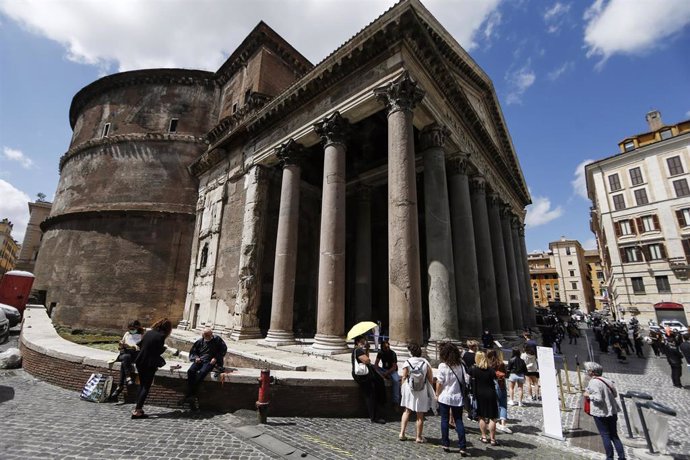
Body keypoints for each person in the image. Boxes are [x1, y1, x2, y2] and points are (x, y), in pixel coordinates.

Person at [584, 362, 626, 460]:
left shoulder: (594, 382)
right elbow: (615, 394)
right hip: (612, 411)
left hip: (601, 412)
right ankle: (622, 457)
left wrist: (588, 395)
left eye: (588, 370)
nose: (587, 372)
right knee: (614, 436)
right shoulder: (607, 380)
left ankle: (610, 458)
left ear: (592, 372)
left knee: (605, 435)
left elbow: (598, 398)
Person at [132, 318, 172, 419]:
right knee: (146, 386)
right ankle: (137, 411)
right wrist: (163, 349)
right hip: (149, 363)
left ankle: (138, 408)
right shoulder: (161, 336)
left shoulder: (149, 332)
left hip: (140, 361)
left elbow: (140, 345)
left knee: (142, 385)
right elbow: (157, 351)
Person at [179, 327, 227, 408]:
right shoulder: (199, 342)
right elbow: (193, 352)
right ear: (203, 335)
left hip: (210, 361)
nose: (209, 336)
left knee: (202, 373)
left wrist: (215, 358)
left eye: (210, 335)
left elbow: (223, 349)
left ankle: (189, 395)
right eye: (206, 335)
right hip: (200, 360)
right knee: (191, 371)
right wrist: (196, 358)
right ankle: (191, 395)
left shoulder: (217, 340)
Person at [435, 342, 468, 455]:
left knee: (444, 420)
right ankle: (462, 446)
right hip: (457, 397)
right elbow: (466, 380)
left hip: (445, 396)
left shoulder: (442, 366)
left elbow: (439, 382)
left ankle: (445, 444)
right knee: (459, 421)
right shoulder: (461, 366)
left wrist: (436, 394)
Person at [399, 342, 434, 443]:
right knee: (420, 415)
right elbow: (430, 379)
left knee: (407, 411)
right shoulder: (426, 363)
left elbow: (404, 377)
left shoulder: (407, 362)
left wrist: (402, 388)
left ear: (410, 352)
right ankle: (418, 437)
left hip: (410, 389)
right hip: (422, 390)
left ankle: (402, 433)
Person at [352, 335, 386, 424]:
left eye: (364, 342)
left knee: (372, 393)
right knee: (370, 395)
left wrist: (366, 350)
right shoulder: (358, 350)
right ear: (357, 342)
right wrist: (366, 356)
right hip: (363, 376)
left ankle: (375, 415)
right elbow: (367, 360)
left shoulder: (359, 350)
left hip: (364, 375)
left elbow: (366, 358)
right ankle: (374, 417)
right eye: (362, 342)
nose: (364, 343)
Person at [109, 320, 144, 401]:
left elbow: (142, 348)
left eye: (133, 329)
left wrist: (135, 348)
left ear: (137, 328)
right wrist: (121, 345)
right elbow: (121, 348)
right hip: (124, 353)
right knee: (125, 357)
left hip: (134, 355)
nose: (131, 330)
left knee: (124, 362)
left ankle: (120, 386)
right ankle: (127, 378)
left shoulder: (141, 335)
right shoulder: (127, 334)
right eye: (130, 329)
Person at [470, 351, 499, 445]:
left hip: (479, 394)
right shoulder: (490, 369)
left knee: (481, 416)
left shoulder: (473, 369)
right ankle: (493, 439)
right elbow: (495, 379)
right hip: (491, 394)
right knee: (492, 417)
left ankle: (484, 437)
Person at [488, 348, 511, 433]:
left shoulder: (487, 364)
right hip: (501, 385)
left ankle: (495, 421)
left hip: (491, 386)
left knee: (495, 404)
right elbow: (506, 374)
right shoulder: (501, 363)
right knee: (503, 405)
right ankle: (503, 424)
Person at [374, 339, 400, 405]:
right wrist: (379, 372)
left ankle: (396, 402)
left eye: (388, 347)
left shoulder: (393, 353)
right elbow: (376, 364)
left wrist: (387, 373)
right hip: (384, 369)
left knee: (396, 381)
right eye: (385, 348)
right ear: (382, 347)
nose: (387, 349)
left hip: (391, 370)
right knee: (371, 367)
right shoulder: (380, 353)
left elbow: (394, 367)